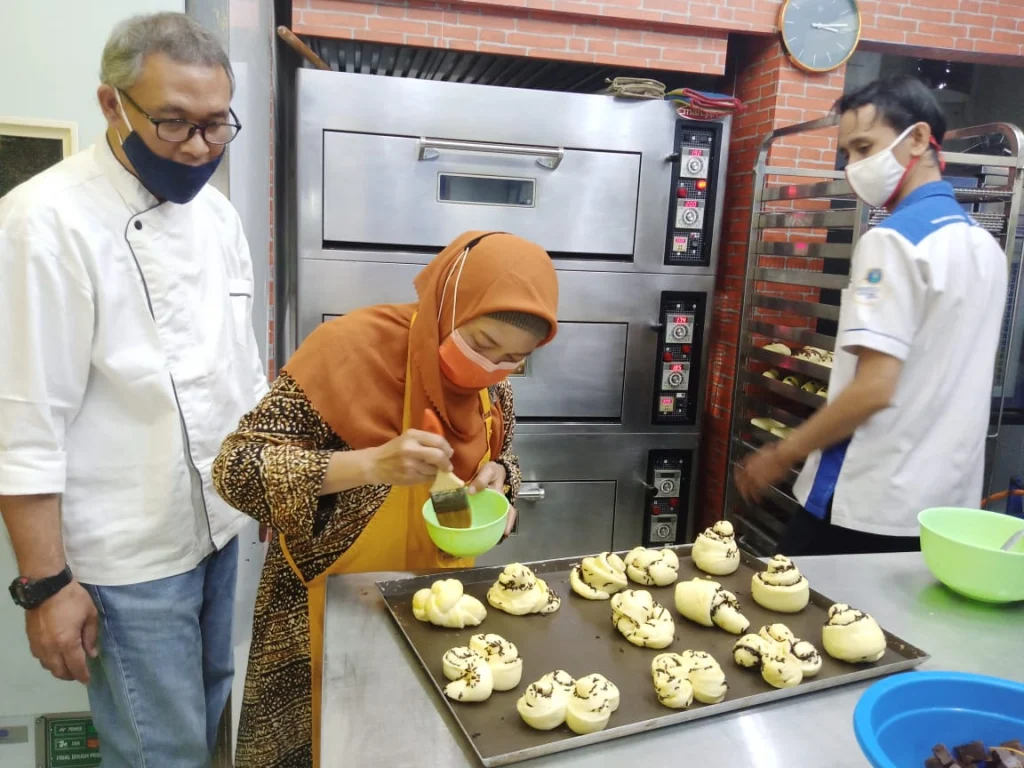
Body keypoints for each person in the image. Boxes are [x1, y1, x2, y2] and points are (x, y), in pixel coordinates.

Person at [0, 13, 267, 767]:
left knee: (214, 701)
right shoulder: (41, 224)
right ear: (111, 103)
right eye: (174, 123)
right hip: (125, 555)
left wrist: (270, 486)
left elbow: (240, 372)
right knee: (161, 748)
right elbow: (22, 423)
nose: (198, 148)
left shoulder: (216, 217)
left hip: (218, 523)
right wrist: (46, 586)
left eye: (217, 125)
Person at [212, 230, 559, 767]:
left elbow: (498, 457)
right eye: (483, 343)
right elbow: (237, 468)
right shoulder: (348, 350)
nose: (491, 368)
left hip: (442, 618)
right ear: (449, 305)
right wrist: (371, 464)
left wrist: (501, 479)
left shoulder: (494, 391)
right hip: (319, 623)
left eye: (514, 358)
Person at [736, 75, 1007, 556]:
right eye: (849, 154)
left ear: (920, 139)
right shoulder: (983, 246)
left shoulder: (892, 240)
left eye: (865, 148)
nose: (855, 167)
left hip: (865, 500)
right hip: (943, 512)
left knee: (805, 624)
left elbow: (874, 387)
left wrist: (781, 454)